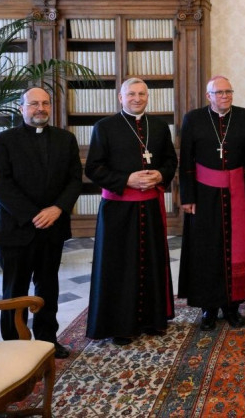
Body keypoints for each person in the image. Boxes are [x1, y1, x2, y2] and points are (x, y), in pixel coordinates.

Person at [0, 87, 82, 358]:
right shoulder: (2, 141)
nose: (40, 108)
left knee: (48, 287)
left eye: (45, 103)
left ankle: (47, 340)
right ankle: (14, 345)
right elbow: (1, 185)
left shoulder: (65, 139)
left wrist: (57, 208)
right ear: (21, 108)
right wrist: (34, 215)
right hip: (15, 228)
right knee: (15, 290)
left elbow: (75, 179)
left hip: (52, 226)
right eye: (33, 104)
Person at [85, 78, 178, 345]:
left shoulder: (159, 126)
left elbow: (170, 160)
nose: (137, 98)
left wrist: (160, 174)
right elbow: (94, 168)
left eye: (142, 94)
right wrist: (127, 179)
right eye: (131, 94)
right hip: (118, 210)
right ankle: (121, 325)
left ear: (148, 97)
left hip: (150, 206)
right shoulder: (105, 127)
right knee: (120, 265)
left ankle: (152, 319)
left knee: (151, 261)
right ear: (120, 98)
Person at [179, 76, 245, 331]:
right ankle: (208, 308)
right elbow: (186, 159)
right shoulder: (193, 119)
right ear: (208, 96)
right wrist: (187, 196)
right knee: (207, 248)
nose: (224, 96)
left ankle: (232, 307)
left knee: (237, 248)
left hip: (237, 191)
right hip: (204, 194)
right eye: (219, 92)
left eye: (228, 91)